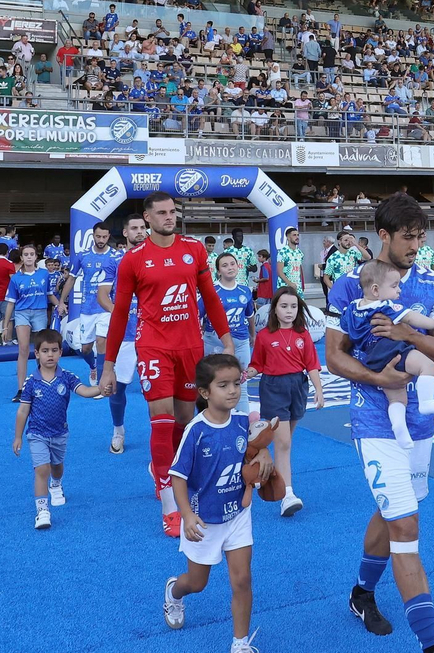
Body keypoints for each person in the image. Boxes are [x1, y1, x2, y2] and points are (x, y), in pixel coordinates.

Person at [324, 193, 434, 653]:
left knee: (395, 513)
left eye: (421, 236)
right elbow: (333, 356)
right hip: (374, 422)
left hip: (421, 426)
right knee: (405, 523)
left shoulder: (433, 283)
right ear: (383, 235)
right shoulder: (349, 285)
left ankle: (362, 592)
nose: (416, 244)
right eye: (407, 236)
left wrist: (408, 337)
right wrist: (377, 378)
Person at [100, 192, 233, 538]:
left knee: (185, 422)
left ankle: (171, 476)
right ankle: (170, 505)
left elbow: (211, 297)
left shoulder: (194, 250)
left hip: (190, 346)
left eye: (172, 211)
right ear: (146, 218)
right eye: (161, 213)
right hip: (154, 347)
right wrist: (109, 364)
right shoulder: (132, 260)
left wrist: (227, 338)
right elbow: (119, 313)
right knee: (161, 422)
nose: (168, 217)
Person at [162, 354, 272, 653]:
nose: (232, 391)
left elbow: (257, 445)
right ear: (205, 392)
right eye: (223, 385)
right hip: (203, 521)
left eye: (236, 383)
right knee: (197, 583)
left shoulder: (242, 422)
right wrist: (186, 515)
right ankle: (174, 591)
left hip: (237, 515)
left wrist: (263, 453)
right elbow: (178, 477)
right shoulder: (196, 431)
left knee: (242, 579)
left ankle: (240, 644)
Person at [339, 259, 434, 448]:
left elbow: (345, 327)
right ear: (375, 290)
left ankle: (400, 429)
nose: (399, 290)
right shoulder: (384, 307)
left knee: (397, 396)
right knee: (427, 365)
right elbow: (410, 317)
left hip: (372, 358)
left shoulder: (352, 309)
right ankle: (426, 401)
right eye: (394, 286)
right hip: (392, 350)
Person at [10, 329, 104, 529]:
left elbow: (85, 391)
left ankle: (56, 484)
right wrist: (17, 437)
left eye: (54, 350)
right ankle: (42, 511)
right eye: (45, 351)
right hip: (37, 434)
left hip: (60, 433)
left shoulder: (67, 377)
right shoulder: (31, 382)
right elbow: (22, 411)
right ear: (37, 354)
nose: (50, 354)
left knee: (57, 466)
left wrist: (101, 389)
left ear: (61, 352)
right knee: (41, 469)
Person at [245, 287, 323, 517]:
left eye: (293, 306)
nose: (289, 311)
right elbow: (257, 364)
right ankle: (286, 494)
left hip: (298, 388)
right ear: (274, 308)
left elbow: (311, 363)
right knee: (284, 443)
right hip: (273, 388)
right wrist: (244, 373)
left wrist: (319, 390)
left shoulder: (303, 334)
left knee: (285, 441)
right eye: (284, 306)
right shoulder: (264, 336)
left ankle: (260, 462)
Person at [97, 214, 148, 454]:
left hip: (152, 335)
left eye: (143, 228)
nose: (140, 231)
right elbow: (103, 295)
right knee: (117, 387)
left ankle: (164, 434)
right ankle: (118, 430)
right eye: (134, 228)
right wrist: (120, 313)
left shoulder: (156, 258)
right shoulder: (113, 262)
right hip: (126, 336)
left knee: (160, 390)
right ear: (125, 233)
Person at [60, 224, 118, 384]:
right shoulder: (82, 255)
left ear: (109, 236)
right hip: (87, 309)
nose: (101, 240)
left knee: (101, 342)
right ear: (93, 235)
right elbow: (71, 279)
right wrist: (61, 302)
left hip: (106, 308)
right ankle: (93, 366)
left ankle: (101, 381)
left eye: (104, 237)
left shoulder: (116, 256)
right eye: (98, 236)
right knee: (85, 348)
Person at [205, 253, 256, 410]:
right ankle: (214, 419)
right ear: (218, 271)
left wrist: (252, 334)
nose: (230, 268)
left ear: (238, 266)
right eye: (225, 265)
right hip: (215, 343)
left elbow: (250, 315)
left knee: (241, 382)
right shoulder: (210, 291)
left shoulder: (245, 290)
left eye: (232, 264)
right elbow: (197, 316)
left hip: (241, 342)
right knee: (212, 382)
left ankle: (242, 421)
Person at [3, 246, 55, 392]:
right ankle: (21, 388)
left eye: (32, 254)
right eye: (26, 254)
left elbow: (50, 294)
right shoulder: (16, 279)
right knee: (23, 349)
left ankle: (43, 382)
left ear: (36, 257)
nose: (29, 257)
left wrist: (60, 304)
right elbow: (11, 303)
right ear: (22, 257)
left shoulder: (44, 274)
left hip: (40, 312)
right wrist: (5, 326)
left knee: (41, 349)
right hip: (22, 313)